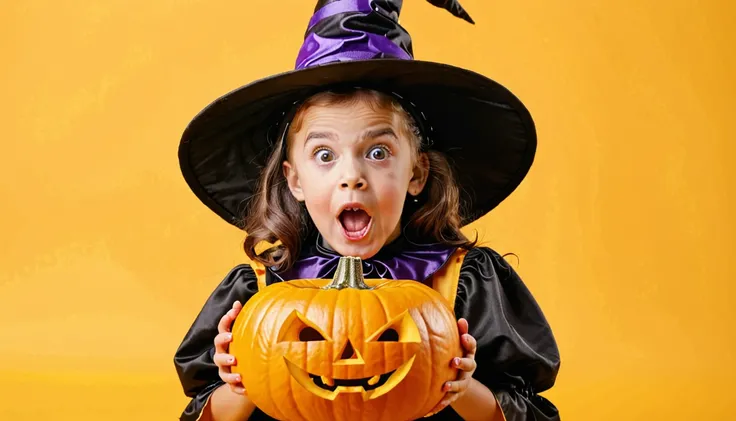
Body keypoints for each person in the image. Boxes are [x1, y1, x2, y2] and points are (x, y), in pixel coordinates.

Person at [174, 1, 561, 420]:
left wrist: (462, 388)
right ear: (295, 180)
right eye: (324, 155)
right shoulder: (259, 289)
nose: (351, 176)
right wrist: (242, 383)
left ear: (416, 173)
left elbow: (530, 412)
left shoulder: (463, 281)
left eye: (377, 152)